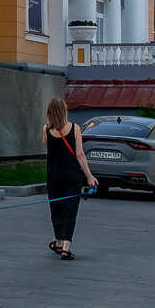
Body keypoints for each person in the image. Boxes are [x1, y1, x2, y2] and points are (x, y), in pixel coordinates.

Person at [43, 98, 97, 260]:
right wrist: (89, 176)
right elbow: (79, 154)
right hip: (72, 175)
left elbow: (46, 145)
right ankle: (66, 247)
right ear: (64, 111)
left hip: (54, 176)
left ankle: (58, 241)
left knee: (56, 209)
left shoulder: (46, 129)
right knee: (70, 211)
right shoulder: (74, 128)